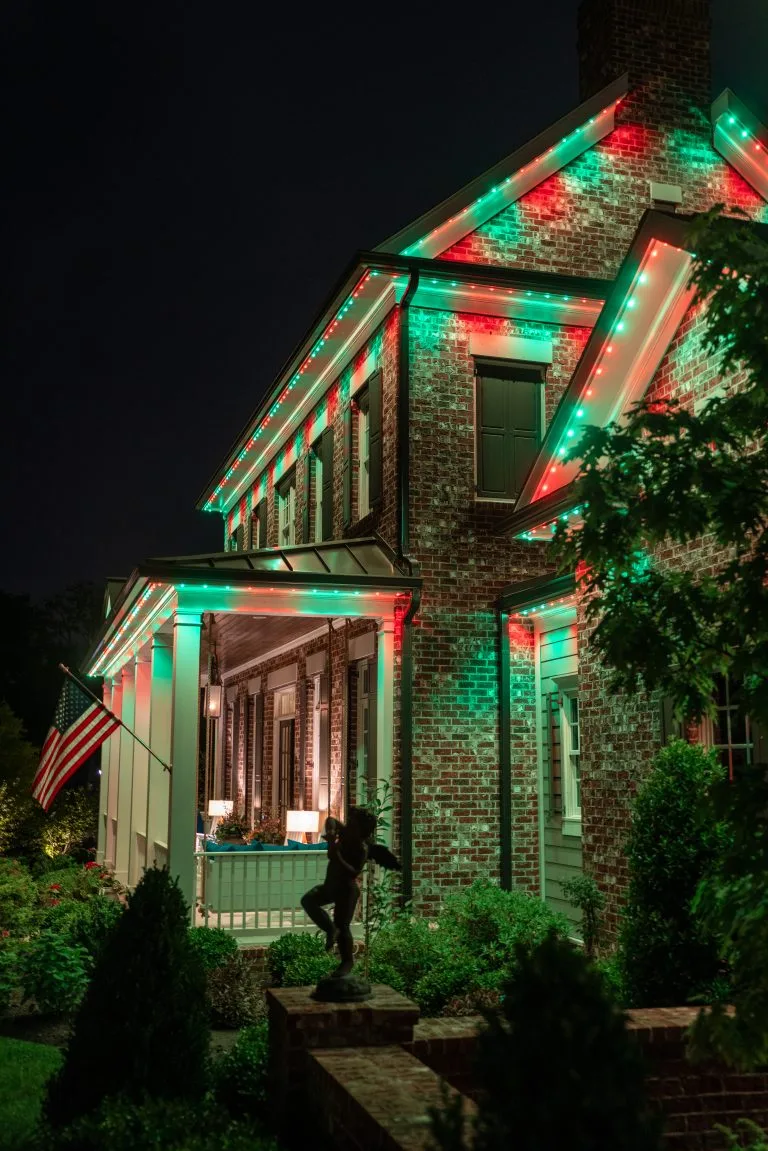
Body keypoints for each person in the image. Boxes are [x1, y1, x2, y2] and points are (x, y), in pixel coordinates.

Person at [300, 807, 401, 977]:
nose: (349, 825)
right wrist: (332, 832)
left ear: (362, 830)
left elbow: (353, 872)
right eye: (350, 822)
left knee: (343, 925)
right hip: (330, 885)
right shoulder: (345, 833)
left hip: (346, 891)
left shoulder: (362, 848)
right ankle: (330, 930)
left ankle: (347, 962)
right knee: (308, 900)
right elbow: (330, 820)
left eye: (353, 824)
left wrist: (336, 854)